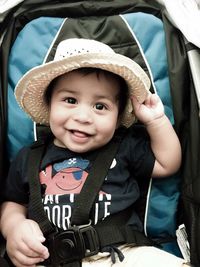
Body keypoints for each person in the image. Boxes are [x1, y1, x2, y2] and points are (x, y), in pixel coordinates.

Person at [0, 38, 189, 267]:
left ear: (118, 117)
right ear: (49, 105)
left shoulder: (123, 147)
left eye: (100, 106)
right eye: (70, 100)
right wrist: (14, 228)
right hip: (48, 257)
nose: (83, 117)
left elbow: (168, 162)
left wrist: (156, 121)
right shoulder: (29, 158)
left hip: (121, 254)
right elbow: (13, 202)